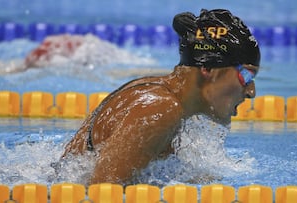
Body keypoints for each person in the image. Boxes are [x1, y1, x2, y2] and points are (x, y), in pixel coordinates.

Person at [62, 9, 260, 185]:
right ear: (208, 68)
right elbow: (102, 194)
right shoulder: (160, 108)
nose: (251, 91)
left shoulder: (158, 92)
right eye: (247, 75)